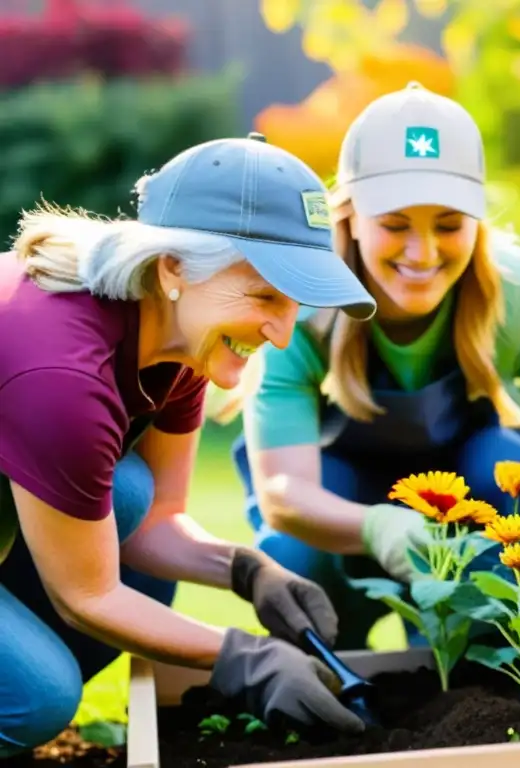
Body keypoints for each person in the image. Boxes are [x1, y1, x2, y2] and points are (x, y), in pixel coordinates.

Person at [0, 132, 380, 757]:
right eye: (263, 296)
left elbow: (157, 520)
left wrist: (247, 571)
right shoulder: (64, 378)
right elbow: (85, 595)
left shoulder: (178, 343)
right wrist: (245, 659)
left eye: (294, 305)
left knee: (129, 497)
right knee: (37, 695)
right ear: (172, 267)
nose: (282, 335)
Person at [230, 82, 520, 650]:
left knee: (508, 468)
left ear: (477, 221)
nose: (422, 253)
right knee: (292, 551)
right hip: (337, 497)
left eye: (447, 224)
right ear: (352, 215)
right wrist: (378, 526)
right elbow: (283, 492)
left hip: (468, 485)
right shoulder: (302, 301)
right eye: (394, 224)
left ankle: (476, 656)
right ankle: (333, 664)